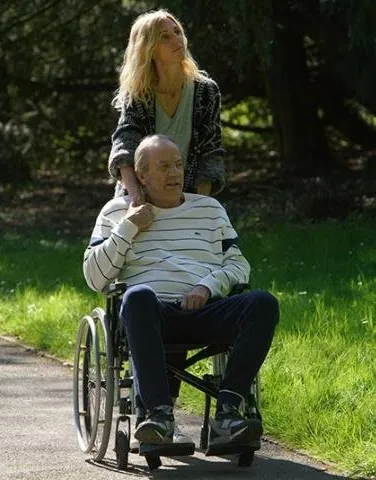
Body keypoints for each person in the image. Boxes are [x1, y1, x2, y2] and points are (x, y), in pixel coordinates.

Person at [83, 134, 279, 451]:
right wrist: (128, 226)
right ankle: (158, 416)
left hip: (206, 310)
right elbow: (94, 277)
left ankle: (228, 413)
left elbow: (238, 264)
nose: (175, 173)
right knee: (137, 296)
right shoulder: (116, 211)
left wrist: (207, 286)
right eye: (164, 167)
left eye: (178, 165)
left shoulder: (210, 209)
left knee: (262, 303)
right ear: (141, 174)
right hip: (150, 315)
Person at [109, 9, 226, 204]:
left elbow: (210, 151)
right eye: (165, 36)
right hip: (142, 195)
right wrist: (136, 198)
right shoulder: (139, 94)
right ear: (149, 48)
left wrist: (198, 204)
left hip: (189, 197)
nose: (177, 39)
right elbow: (125, 146)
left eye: (177, 32)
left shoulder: (206, 91)